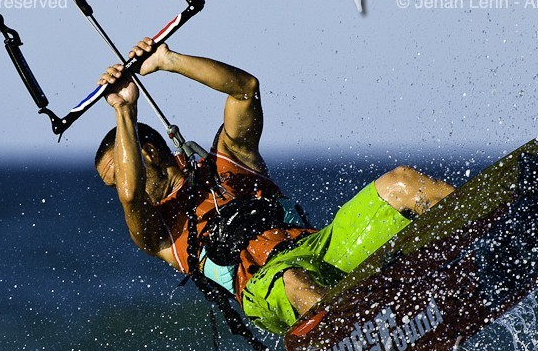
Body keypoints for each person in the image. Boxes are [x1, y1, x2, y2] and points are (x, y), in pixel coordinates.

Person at [95, 38, 454, 335]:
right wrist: (125, 110)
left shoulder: (229, 158)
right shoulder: (158, 233)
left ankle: (493, 222)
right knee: (294, 279)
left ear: (151, 153)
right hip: (264, 289)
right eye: (115, 181)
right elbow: (130, 192)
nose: (121, 185)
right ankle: (360, 337)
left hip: (318, 249)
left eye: (119, 173)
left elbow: (245, 90)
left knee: (402, 183)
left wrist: (169, 60)